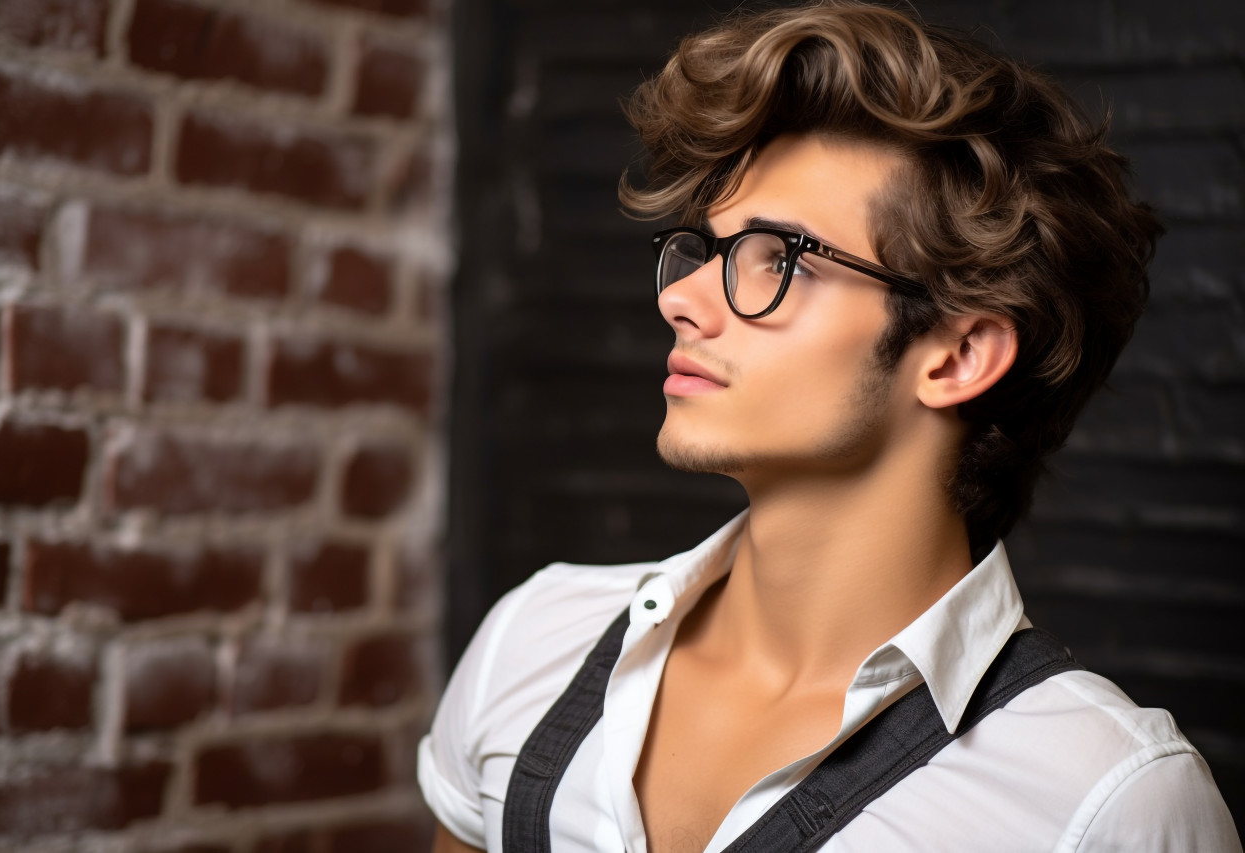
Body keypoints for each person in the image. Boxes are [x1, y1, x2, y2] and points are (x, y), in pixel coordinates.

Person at [419, 1, 1242, 850]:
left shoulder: (1107, 801)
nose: (680, 299)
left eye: (779, 256)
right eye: (708, 247)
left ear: (958, 354)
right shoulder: (535, 643)